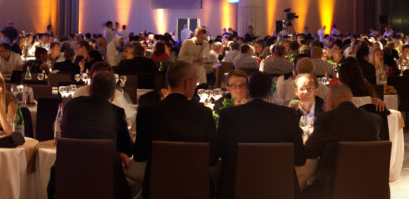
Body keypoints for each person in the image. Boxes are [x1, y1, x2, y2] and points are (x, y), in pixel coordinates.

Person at [133, 60, 217, 195]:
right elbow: (212, 159)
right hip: (196, 188)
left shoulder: (146, 112)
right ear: (187, 83)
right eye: (195, 81)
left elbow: (139, 155)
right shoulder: (204, 114)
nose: (195, 86)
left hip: (158, 187)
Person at [216, 71, 304, 199]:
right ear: (269, 90)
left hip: (235, 189)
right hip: (278, 189)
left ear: (248, 89)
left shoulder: (228, 115)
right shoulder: (287, 115)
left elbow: (220, 153)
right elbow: (299, 159)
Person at [57, 72, 136, 198]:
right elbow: (128, 149)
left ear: (89, 89)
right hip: (106, 181)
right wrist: (118, 152)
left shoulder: (70, 106)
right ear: (113, 97)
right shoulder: (116, 112)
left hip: (68, 177)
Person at [300, 81, 385, 197]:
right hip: (367, 187)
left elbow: (309, 151)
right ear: (351, 99)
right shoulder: (374, 120)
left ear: (329, 101)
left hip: (331, 189)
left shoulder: (326, 119)